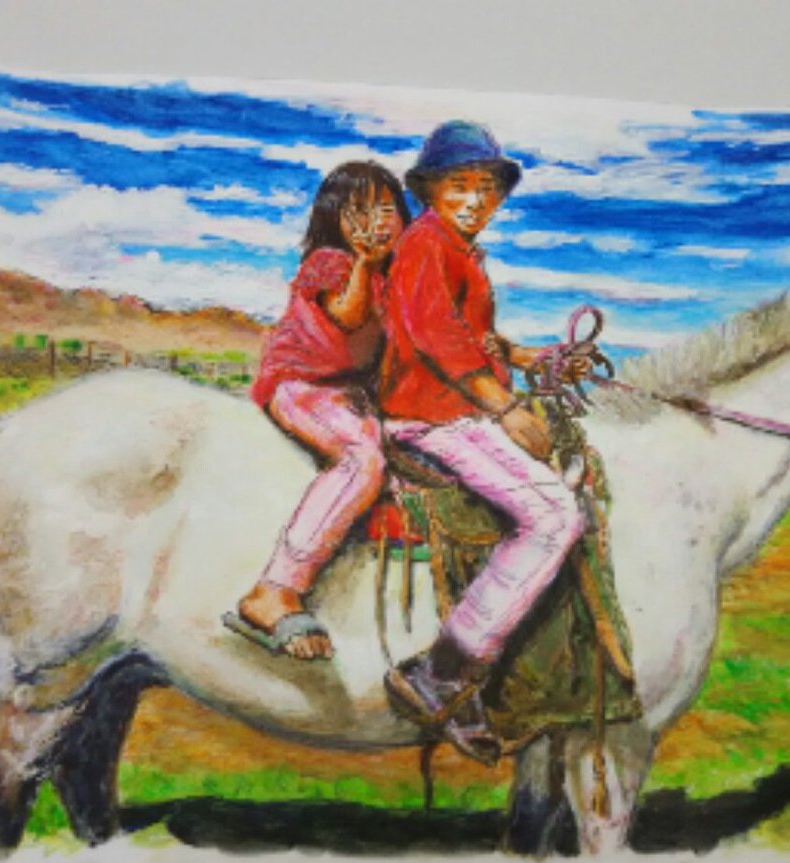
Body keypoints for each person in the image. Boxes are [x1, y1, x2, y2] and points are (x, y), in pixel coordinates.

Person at [379, 121, 586, 761]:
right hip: (431, 415)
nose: (475, 200)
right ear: (430, 191)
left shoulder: (458, 250)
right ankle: (442, 671)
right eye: (459, 185)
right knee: (555, 515)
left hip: (459, 411)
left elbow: (475, 337)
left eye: (487, 188)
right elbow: (436, 336)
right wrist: (507, 407)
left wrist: (529, 358)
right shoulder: (425, 244)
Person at [224, 161, 410, 660]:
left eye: (386, 209)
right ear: (333, 220)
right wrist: (364, 262)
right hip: (303, 384)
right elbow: (347, 315)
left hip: (351, 393)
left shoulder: (395, 280)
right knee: (360, 459)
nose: (375, 222)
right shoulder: (330, 264)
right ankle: (276, 588)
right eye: (358, 212)